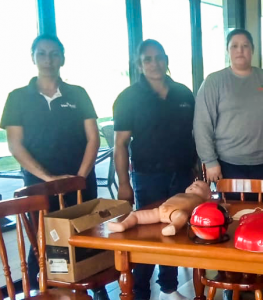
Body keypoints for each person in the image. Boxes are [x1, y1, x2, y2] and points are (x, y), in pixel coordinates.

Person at [0, 34, 100, 293]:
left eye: (54, 53)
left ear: (63, 58)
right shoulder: (17, 97)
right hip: (38, 188)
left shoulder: (78, 94)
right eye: (42, 53)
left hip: (81, 183)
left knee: (88, 239)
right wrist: (49, 180)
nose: (48, 59)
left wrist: (78, 178)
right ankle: (43, 291)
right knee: (44, 245)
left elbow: (93, 138)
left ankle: (95, 287)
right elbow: (15, 145)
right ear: (32, 57)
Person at [113, 39, 197, 300]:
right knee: (148, 236)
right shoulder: (128, 98)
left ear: (167, 59)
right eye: (147, 59)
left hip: (182, 175)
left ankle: (169, 288)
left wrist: (197, 173)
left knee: (175, 231)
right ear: (139, 65)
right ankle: (139, 292)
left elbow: (193, 135)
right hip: (148, 176)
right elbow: (120, 144)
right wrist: (124, 184)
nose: (154, 63)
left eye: (159, 57)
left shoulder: (183, 93)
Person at [194, 29, 263, 186]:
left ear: (252, 49)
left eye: (245, 45)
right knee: (233, 209)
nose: (240, 50)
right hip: (227, 163)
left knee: (260, 209)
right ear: (227, 50)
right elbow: (202, 124)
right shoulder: (214, 81)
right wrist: (210, 162)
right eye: (234, 46)